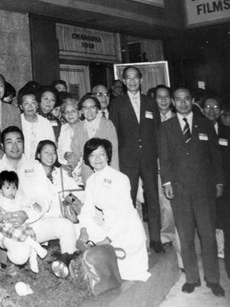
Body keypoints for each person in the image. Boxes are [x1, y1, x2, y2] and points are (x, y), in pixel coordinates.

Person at [0, 126, 77, 271]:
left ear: (24, 143)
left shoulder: (35, 166)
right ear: (2, 146)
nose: (15, 146)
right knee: (20, 256)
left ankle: (67, 268)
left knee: (66, 226)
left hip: (35, 222)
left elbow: (45, 199)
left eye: (18, 141)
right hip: (10, 229)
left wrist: (27, 214)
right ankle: (24, 258)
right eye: (9, 142)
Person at [159, 88, 225, 296]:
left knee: (208, 236)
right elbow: (164, 157)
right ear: (172, 102)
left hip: (204, 190)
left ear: (192, 101)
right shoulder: (166, 127)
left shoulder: (205, 124)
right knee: (185, 236)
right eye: (178, 100)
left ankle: (213, 279)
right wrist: (166, 182)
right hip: (179, 189)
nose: (183, 103)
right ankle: (191, 278)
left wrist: (219, 182)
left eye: (186, 99)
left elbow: (215, 156)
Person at [78, 138, 150, 282]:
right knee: (80, 233)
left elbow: (125, 214)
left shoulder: (120, 178)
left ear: (108, 156)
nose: (97, 158)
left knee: (120, 274)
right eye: (93, 155)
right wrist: (83, 230)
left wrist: (108, 239)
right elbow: (87, 209)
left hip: (126, 231)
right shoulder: (91, 181)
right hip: (108, 226)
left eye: (102, 154)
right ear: (87, 158)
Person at [109, 66, 163, 253]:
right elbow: (114, 133)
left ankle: (155, 240)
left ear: (141, 80)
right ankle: (129, 240)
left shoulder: (150, 102)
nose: (132, 81)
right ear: (123, 81)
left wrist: (158, 158)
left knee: (153, 199)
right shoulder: (117, 104)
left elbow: (157, 131)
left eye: (135, 78)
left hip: (148, 157)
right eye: (128, 78)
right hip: (127, 159)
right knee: (128, 200)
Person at [0, 170, 47, 273]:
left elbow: (27, 200)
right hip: (6, 226)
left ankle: (33, 258)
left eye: (14, 188)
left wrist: (34, 203)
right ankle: (36, 246)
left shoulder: (19, 197)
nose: (11, 191)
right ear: (0, 189)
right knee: (19, 234)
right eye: (7, 188)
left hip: (20, 224)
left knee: (31, 233)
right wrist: (3, 214)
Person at [155, 85, 183, 268]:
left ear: (171, 100)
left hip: (175, 172)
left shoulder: (178, 120)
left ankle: (179, 246)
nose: (163, 100)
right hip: (155, 170)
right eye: (159, 97)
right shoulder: (150, 119)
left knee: (174, 209)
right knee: (163, 206)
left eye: (167, 97)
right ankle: (165, 236)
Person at [203, 96, 230, 279]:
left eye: (215, 107)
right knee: (208, 228)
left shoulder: (226, 131)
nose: (212, 110)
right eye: (208, 106)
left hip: (225, 188)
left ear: (220, 111)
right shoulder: (195, 128)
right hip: (203, 187)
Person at [71, 94, 119, 185]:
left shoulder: (107, 125)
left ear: (97, 109)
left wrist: (114, 175)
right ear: (81, 111)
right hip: (88, 175)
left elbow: (114, 153)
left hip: (106, 173)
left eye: (92, 107)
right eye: (85, 108)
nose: (89, 111)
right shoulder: (79, 128)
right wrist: (70, 165)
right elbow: (75, 152)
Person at [36, 139, 84, 218]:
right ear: (38, 155)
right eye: (46, 152)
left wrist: (68, 200)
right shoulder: (32, 176)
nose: (50, 156)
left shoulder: (62, 173)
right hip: (43, 219)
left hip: (64, 218)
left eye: (53, 152)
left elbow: (78, 194)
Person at [19, 89, 55, 161]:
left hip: (42, 163)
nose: (30, 107)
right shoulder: (17, 122)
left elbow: (51, 145)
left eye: (33, 103)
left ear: (37, 105)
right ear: (21, 106)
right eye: (26, 103)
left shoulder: (45, 123)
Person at [57, 98, 81, 168]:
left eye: (73, 111)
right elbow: (58, 150)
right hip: (65, 167)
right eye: (67, 112)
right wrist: (65, 155)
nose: (70, 115)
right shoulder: (61, 129)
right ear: (63, 115)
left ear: (79, 112)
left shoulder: (86, 127)